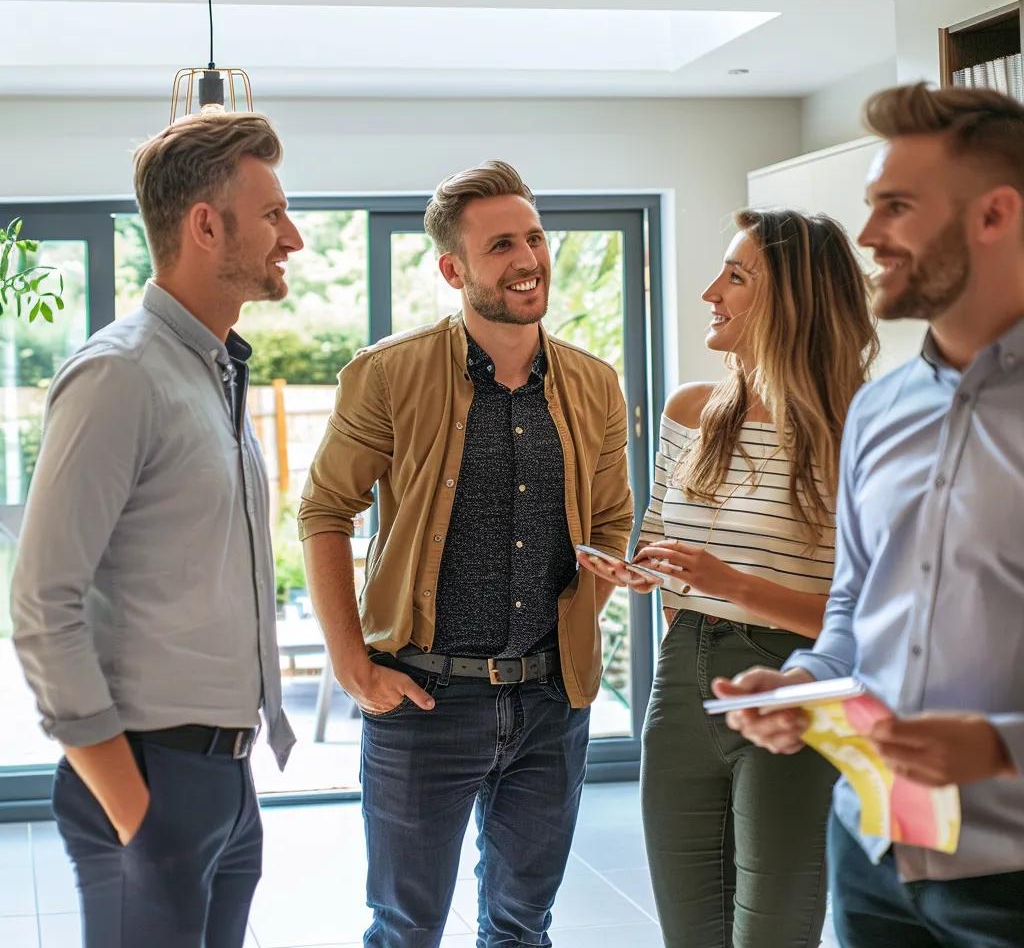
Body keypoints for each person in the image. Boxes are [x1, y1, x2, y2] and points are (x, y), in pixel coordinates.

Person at [298, 160, 633, 948]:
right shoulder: (387, 374)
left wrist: (590, 602)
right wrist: (352, 665)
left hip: (551, 702)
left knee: (521, 926)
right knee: (406, 927)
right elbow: (324, 510)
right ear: (453, 270)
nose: (528, 259)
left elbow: (613, 520)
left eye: (535, 238)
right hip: (423, 699)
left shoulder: (595, 384)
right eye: (500, 246)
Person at [723, 82, 1024, 948]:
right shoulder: (878, 412)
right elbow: (856, 612)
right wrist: (802, 683)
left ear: (995, 214)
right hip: (872, 852)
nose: (866, 236)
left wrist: (1000, 747)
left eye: (897, 206)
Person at [11, 113, 303, 948]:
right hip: (148, 780)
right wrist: (136, 813)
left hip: (225, 780)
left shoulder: (211, 375)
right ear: (206, 226)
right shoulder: (121, 374)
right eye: (273, 215)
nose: (293, 238)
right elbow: (42, 605)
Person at [579, 207, 878, 947]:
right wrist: (644, 574)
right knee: (690, 933)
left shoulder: (862, 428)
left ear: (793, 300)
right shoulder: (691, 411)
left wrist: (734, 585)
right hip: (682, 681)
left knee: (771, 933)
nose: (710, 291)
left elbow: (875, 619)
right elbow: (662, 547)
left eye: (736, 277)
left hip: (794, 684)